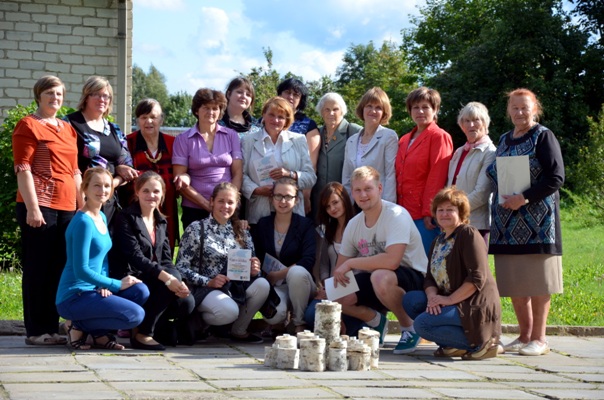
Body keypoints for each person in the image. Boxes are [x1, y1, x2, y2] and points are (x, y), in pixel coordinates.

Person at [487, 88, 564, 356]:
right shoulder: (504, 139)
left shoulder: (543, 136)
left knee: (539, 281)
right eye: (515, 108)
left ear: (535, 109)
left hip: (539, 223)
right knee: (515, 281)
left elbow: (556, 177)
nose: (520, 112)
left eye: (525, 107)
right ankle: (523, 336)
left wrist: (524, 197)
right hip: (506, 223)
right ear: (508, 111)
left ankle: (540, 339)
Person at [13, 75, 82, 346]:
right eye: (50, 93)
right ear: (39, 96)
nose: (55, 98)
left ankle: (52, 328)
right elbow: (23, 169)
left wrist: (83, 207)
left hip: (68, 207)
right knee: (38, 269)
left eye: (59, 94)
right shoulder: (28, 125)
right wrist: (33, 208)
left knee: (58, 269)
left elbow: (75, 171)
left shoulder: (68, 129)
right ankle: (35, 330)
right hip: (40, 205)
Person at [333, 166, 427, 354]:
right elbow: (340, 270)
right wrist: (334, 307)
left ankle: (409, 327)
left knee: (380, 277)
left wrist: (352, 263)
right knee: (336, 293)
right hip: (378, 278)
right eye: (358, 190)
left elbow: (392, 261)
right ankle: (376, 321)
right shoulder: (354, 224)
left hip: (413, 278)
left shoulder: (396, 215)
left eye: (368, 189)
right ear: (352, 193)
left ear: (380, 189)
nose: (363, 195)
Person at [402, 187, 501, 359]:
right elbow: (429, 279)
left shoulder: (468, 234)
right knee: (411, 301)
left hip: (471, 305)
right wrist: (433, 298)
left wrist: (448, 300)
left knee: (422, 324)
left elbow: (477, 278)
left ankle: (482, 343)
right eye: (440, 210)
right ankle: (452, 344)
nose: (444, 214)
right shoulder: (438, 240)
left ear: (461, 213)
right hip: (451, 301)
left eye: (450, 210)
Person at [56, 168, 149, 351]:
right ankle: (77, 326)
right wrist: (116, 284)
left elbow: (103, 259)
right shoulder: (83, 222)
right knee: (134, 316)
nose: (102, 190)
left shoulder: (102, 216)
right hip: (74, 296)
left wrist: (103, 284)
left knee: (140, 291)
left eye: (107, 186)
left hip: (94, 290)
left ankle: (98, 334)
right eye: (97, 185)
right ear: (85, 188)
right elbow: (81, 270)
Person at [176, 182, 269, 343]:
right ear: (212, 201)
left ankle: (238, 330)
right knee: (228, 312)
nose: (225, 206)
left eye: (230, 202)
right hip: (205, 289)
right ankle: (204, 324)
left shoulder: (242, 231)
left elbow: (251, 266)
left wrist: (254, 270)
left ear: (236, 205)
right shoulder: (197, 229)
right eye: (221, 201)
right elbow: (181, 267)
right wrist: (208, 281)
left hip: (236, 288)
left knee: (262, 285)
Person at [114, 171, 193, 350]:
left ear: (163, 194)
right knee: (167, 286)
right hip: (132, 275)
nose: (151, 195)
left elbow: (167, 259)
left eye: (156, 191)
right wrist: (168, 279)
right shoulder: (125, 217)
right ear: (137, 192)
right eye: (146, 191)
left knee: (187, 302)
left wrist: (178, 281)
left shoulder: (161, 221)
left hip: (154, 274)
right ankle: (143, 334)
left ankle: (160, 328)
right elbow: (135, 257)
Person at [64, 76, 138, 229]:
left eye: (106, 96)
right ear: (86, 97)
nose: (102, 99)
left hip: (109, 202)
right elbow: (64, 162)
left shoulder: (114, 129)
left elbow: (127, 168)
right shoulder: (70, 123)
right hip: (79, 199)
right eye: (96, 94)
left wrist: (110, 186)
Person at [172, 88, 243, 230]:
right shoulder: (183, 139)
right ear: (196, 110)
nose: (211, 112)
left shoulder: (231, 136)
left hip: (226, 209)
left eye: (215, 108)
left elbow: (238, 173)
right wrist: (208, 205)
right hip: (194, 208)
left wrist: (229, 201)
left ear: (220, 112)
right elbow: (180, 179)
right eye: (206, 107)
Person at [252, 178, 316, 332]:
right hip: (277, 286)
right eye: (278, 196)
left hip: (302, 284)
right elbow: (257, 255)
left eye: (288, 196)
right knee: (274, 316)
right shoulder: (263, 224)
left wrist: (278, 275)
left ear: (296, 200)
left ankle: (299, 322)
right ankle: (282, 320)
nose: (282, 201)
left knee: (297, 272)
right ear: (272, 198)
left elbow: (308, 260)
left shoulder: (305, 225)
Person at [304, 182, 367, 336]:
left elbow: (363, 264)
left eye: (335, 202)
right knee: (311, 315)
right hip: (332, 287)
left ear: (344, 199)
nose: (332, 208)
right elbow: (324, 265)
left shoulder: (360, 225)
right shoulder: (328, 230)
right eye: (327, 206)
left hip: (355, 287)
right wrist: (328, 287)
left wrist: (337, 291)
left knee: (347, 323)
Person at [395, 87, 453, 255]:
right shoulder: (404, 139)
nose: (420, 111)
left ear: (435, 110)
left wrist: (430, 211)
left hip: (424, 215)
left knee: (425, 261)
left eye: (425, 107)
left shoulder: (439, 136)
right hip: (402, 211)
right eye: (415, 107)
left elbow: (437, 176)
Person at [241, 97, 316, 224]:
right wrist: (256, 190)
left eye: (281, 117)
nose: (275, 120)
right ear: (264, 115)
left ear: (287, 120)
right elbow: (241, 175)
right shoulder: (248, 140)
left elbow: (310, 178)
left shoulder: (299, 140)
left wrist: (290, 174)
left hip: (292, 212)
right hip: (259, 211)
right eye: (271, 115)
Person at [125, 99, 179, 250]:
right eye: (144, 117)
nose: (148, 121)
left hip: (167, 207)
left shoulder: (173, 143)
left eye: (153, 117)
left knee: (166, 250)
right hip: (137, 208)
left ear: (161, 119)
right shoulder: (128, 142)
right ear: (137, 120)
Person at [446, 102, 496, 245]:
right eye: (467, 121)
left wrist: (455, 211)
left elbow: (482, 193)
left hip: (475, 224)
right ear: (462, 125)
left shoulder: (490, 152)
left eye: (476, 120)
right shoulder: (459, 151)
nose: (471, 125)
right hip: (453, 222)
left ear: (485, 123)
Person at [342, 87, 398, 204]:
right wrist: (348, 206)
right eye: (369, 106)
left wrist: (388, 206)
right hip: (356, 203)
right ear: (362, 109)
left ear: (384, 113)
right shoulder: (351, 141)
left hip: (378, 203)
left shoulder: (389, 136)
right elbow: (347, 177)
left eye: (378, 108)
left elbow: (390, 174)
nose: (373, 111)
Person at [310, 93, 362, 221]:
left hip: (345, 201)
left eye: (335, 109)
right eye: (327, 109)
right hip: (320, 202)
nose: (331, 113)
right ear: (321, 112)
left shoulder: (354, 131)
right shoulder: (316, 133)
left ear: (342, 111)